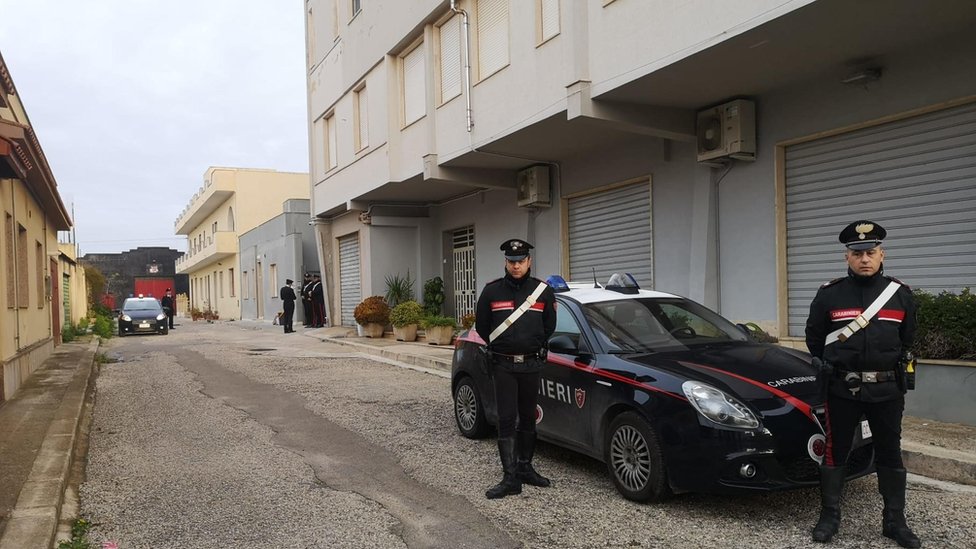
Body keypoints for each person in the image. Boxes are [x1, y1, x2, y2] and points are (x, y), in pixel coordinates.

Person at [805, 220, 919, 548]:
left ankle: (894, 521)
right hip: (843, 389)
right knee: (835, 451)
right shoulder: (830, 294)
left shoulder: (899, 296)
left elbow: (907, 339)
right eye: (857, 253)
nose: (864, 259)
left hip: (887, 390)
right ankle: (830, 516)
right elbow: (815, 339)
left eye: (871, 252)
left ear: (882, 254)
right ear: (847, 258)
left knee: (889, 453)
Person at [474, 238, 556, 499]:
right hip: (504, 366)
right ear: (505, 263)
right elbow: (482, 327)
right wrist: (506, 346)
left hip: (531, 363)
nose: (516, 266)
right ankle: (510, 478)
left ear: (529, 261)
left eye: (521, 261)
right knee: (507, 419)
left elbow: (549, 326)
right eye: (512, 261)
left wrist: (530, 344)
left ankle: (525, 468)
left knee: (529, 417)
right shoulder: (491, 292)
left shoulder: (543, 291)